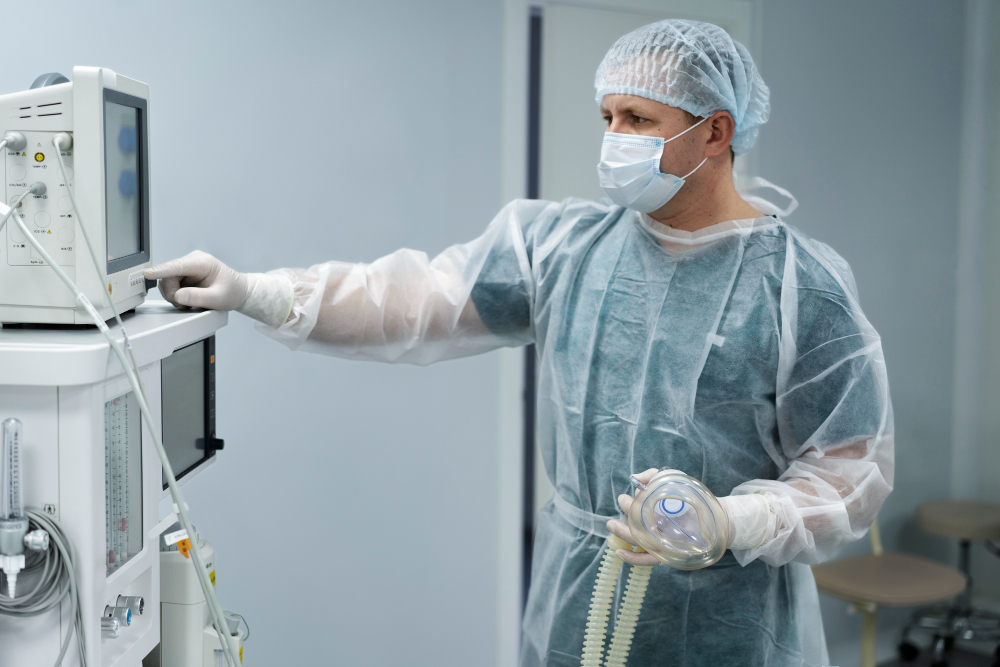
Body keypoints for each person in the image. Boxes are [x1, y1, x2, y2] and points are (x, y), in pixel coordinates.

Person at [145, 19, 893, 667]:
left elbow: (849, 473)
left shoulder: (801, 286)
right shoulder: (565, 247)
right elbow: (408, 300)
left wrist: (730, 523)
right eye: (607, 115)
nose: (615, 139)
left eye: (638, 118)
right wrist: (254, 290)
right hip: (579, 603)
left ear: (717, 131)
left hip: (732, 623)